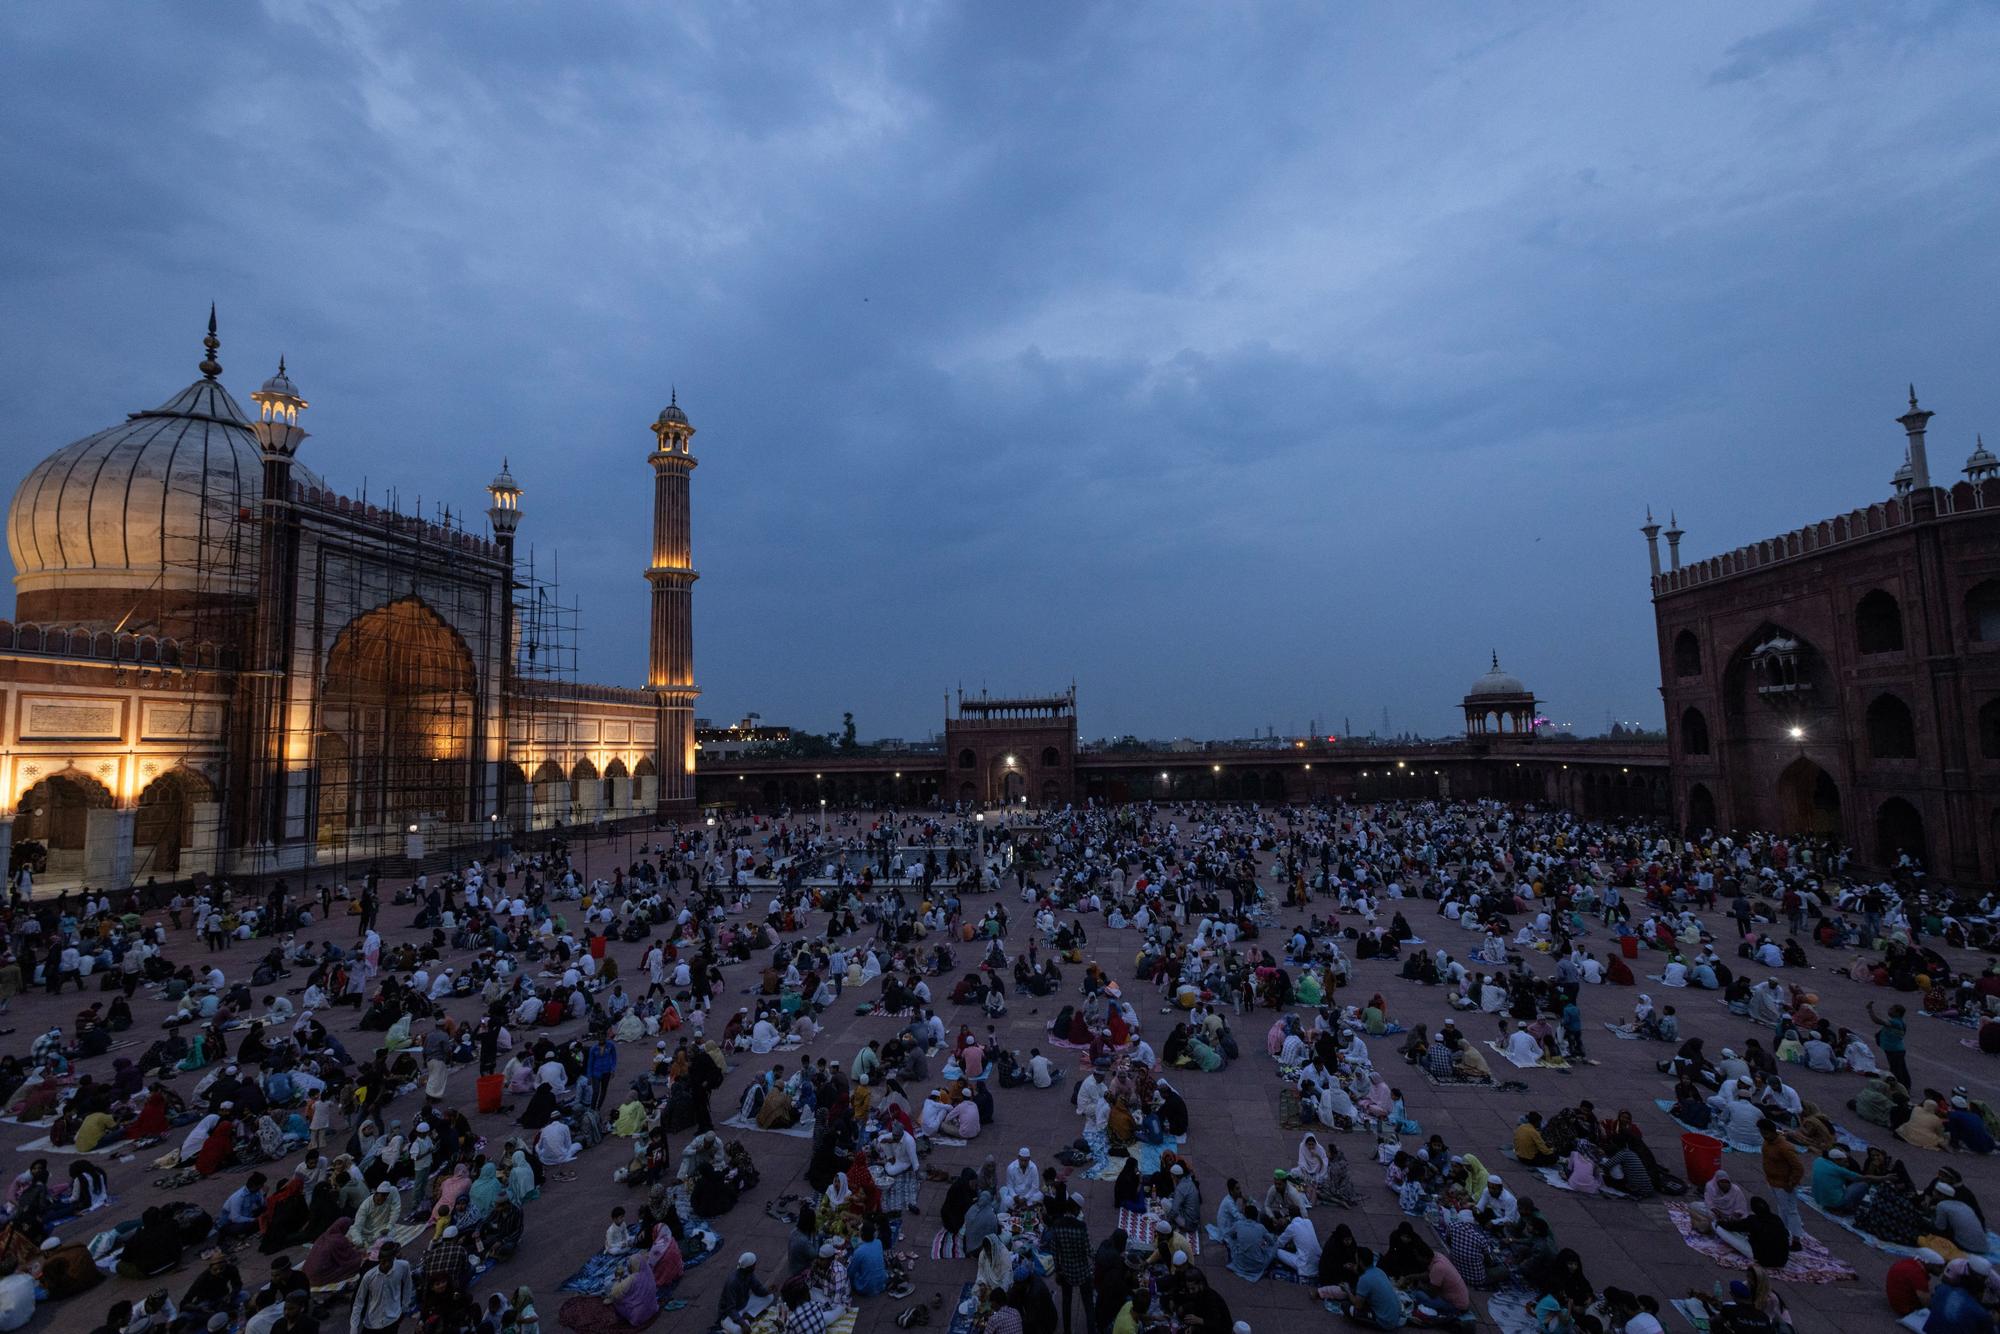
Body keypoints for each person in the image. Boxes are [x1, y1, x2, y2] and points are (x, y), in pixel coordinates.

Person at [1043, 1200, 1094, 1334]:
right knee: (1088, 1304)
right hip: (1082, 1271)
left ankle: (1067, 1331)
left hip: (1066, 1271)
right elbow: (1089, 1250)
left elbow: (1054, 1251)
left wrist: (1058, 1270)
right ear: (1076, 1209)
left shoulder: (1057, 1225)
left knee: (1066, 1303)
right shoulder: (1081, 1226)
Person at [350, 1241, 415, 1334]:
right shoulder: (369, 1276)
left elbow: (408, 1286)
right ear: (379, 1260)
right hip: (372, 1322)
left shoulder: (403, 1266)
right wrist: (354, 1327)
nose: (386, 1264)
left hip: (393, 1319)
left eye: (389, 1261)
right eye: (384, 1261)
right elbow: (358, 1302)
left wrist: (404, 1307)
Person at [1347, 1248, 1405, 1330]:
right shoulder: (1379, 1271)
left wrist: (1347, 1291)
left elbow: (1358, 1305)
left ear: (1361, 1262)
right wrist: (1353, 1269)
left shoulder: (1364, 1279)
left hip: (1385, 1322)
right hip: (1395, 1317)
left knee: (1347, 1306)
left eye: (1356, 1261)